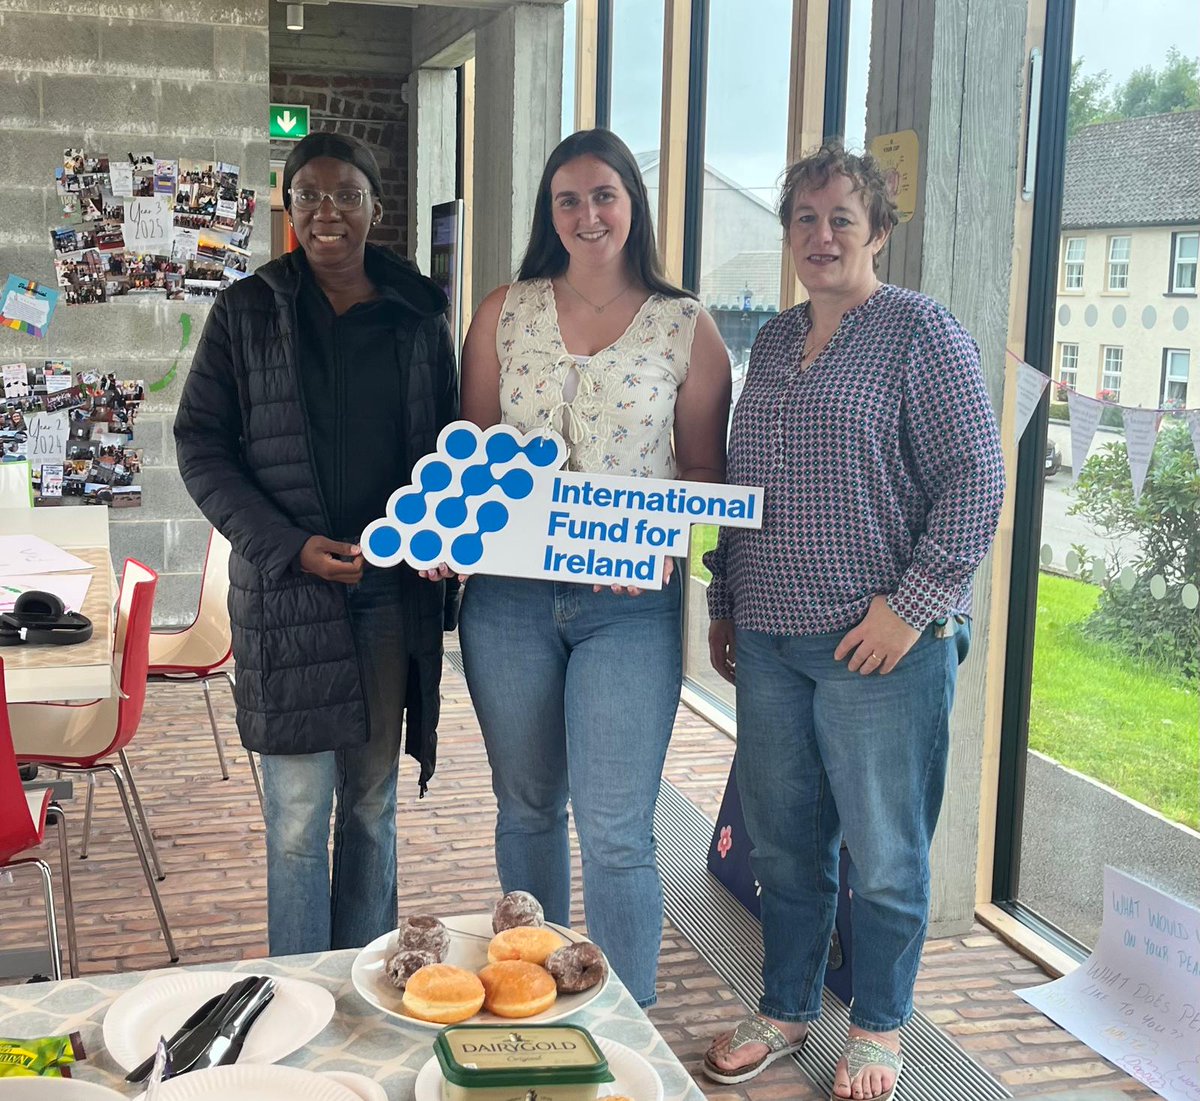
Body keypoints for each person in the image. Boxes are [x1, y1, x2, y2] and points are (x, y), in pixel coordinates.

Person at [701, 141, 1005, 1099]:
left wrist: (909, 611)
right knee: (788, 846)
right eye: (804, 218)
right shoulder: (780, 340)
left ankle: (879, 1025)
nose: (821, 234)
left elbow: (977, 481)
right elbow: (752, 489)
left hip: (877, 649)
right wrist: (726, 598)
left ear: (878, 230)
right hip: (773, 639)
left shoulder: (922, 331)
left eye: (842, 218)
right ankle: (787, 1005)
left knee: (884, 854)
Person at [454, 128, 731, 1007]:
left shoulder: (684, 324)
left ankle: (623, 1025)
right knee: (527, 808)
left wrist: (656, 540)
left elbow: (702, 471)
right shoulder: (504, 310)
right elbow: (468, 454)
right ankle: (527, 996)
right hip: (508, 601)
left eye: (604, 195)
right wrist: (449, 539)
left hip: (628, 606)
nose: (587, 214)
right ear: (550, 211)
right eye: (567, 199)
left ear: (633, 205)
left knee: (616, 829)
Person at [174, 131, 458, 955]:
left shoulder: (418, 317)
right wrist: (286, 545)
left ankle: (363, 982)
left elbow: (448, 447)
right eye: (309, 196)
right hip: (289, 599)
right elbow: (201, 443)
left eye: (346, 195)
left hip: (386, 593)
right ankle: (299, 986)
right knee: (298, 817)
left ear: (376, 206)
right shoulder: (247, 311)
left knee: (371, 803)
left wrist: (444, 536)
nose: (327, 212)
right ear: (289, 209)